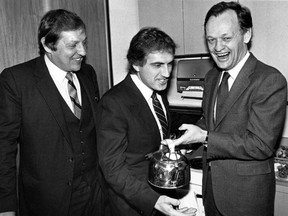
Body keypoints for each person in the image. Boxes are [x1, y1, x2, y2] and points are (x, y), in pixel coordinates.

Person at [168, 2, 287, 216]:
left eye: (226, 38)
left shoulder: (270, 80)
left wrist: (205, 137)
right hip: (212, 191)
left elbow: (260, 144)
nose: (217, 48)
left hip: (247, 198)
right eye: (211, 40)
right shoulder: (212, 77)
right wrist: (185, 139)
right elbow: (210, 121)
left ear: (246, 35)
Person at [0, 9, 109, 216]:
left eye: (84, 42)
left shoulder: (88, 73)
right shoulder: (16, 80)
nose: (83, 51)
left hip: (95, 196)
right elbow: (3, 148)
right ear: (48, 45)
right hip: (48, 202)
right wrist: (5, 207)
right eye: (73, 45)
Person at [96, 27, 196, 216]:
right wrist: (153, 200)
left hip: (160, 195)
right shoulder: (114, 102)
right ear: (136, 64)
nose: (166, 73)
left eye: (169, 64)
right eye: (157, 65)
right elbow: (112, 168)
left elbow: (156, 127)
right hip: (133, 204)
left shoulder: (157, 93)